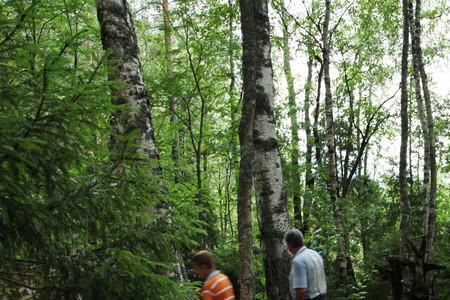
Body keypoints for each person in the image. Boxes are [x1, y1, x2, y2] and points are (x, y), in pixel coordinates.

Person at [286, 229, 327, 300]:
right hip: (322, 296)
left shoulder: (298, 261)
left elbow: (301, 290)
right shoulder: (315, 254)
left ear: (289, 245)